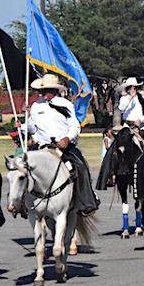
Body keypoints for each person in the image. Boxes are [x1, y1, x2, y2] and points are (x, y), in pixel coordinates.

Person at [21, 73, 99, 215]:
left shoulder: (66, 104)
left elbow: (75, 126)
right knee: (22, 168)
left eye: (48, 90)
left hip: (62, 147)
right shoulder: (35, 106)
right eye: (43, 91)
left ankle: (86, 201)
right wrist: (26, 120)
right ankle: (22, 203)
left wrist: (67, 139)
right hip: (42, 147)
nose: (45, 94)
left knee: (80, 167)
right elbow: (32, 129)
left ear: (55, 90)